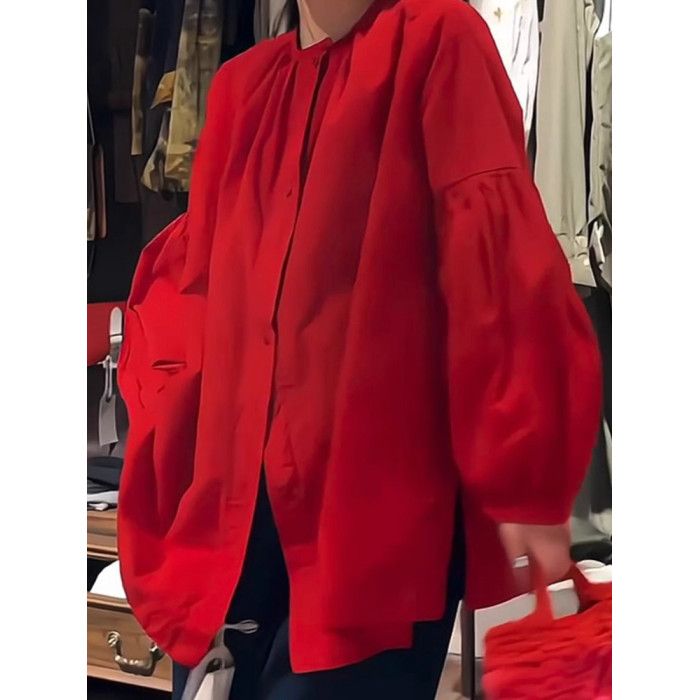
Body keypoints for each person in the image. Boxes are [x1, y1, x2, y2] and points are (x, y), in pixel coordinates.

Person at [117, 0, 602, 698]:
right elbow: (195, 294)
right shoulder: (240, 88)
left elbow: (496, 269)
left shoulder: (439, 40)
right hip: (229, 522)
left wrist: (523, 471)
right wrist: (162, 429)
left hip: (369, 530)